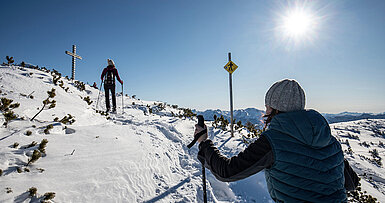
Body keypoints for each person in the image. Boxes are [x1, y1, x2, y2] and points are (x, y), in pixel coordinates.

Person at [195, 79, 359, 203]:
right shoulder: (331, 141)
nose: (265, 110)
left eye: (267, 106)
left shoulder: (272, 142)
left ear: (275, 108)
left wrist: (204, 143)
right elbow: (351, 183)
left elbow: (227, 171)